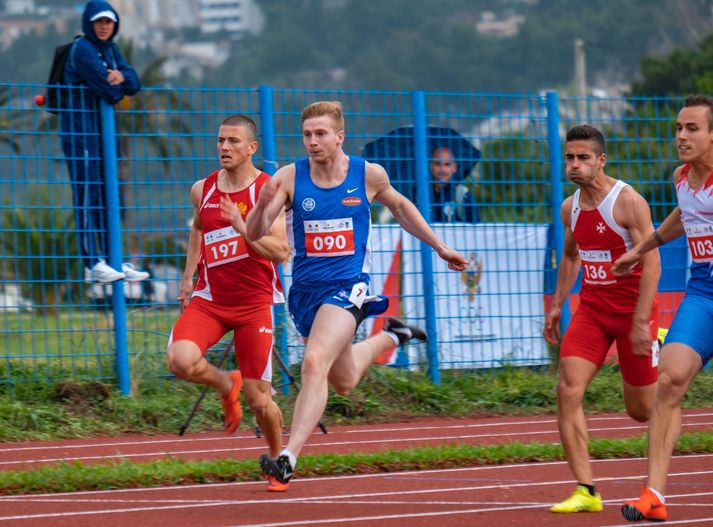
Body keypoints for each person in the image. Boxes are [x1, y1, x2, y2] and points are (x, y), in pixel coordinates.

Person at [246, 101, 467, 490]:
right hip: (305, 294)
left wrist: (440, 247)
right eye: (307, 135)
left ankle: (288, 458)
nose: (312, 142)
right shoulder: (288, 178)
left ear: (339, 136)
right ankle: (392, 335)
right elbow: (255, 232)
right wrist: (262, 206)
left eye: (320, 134)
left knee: (314, 362)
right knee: (344, 379)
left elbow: (401, 207)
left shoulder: (368, 174)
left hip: (349, 288)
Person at [167, 114, 289, 492]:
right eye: (220, 140)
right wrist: (188, 276)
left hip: (254, 303)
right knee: (179, 359)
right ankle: (225, 384)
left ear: (251, 148)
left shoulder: (268, 191)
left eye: (233, 141)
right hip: (212, 299)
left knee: (259, 400)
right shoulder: (201, 189)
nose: (224, 147)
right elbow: (198, 230)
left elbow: (281, 251)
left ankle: (278, 459)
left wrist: (243, 228)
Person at [543, 125, 661, 514]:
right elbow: (572, 256)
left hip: (633, 316)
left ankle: (663, 347)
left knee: (641, 411)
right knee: (567, 389)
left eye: (583, 158)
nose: (574, 165)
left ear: (601, 160)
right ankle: (586, 490)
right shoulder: (570, 207)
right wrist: (559, 304)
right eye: (569, 157)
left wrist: (642, 321)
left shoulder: (627, 202)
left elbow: (652, 259)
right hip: (592, 312)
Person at [614, 94, 713, 523]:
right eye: (678, 128)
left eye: (692, 129)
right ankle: (653, 495)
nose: (681, 137)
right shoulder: (681, 178)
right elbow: (683, 215)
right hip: (704, 292)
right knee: (669, 380)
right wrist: (640, 249)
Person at [61, 0, 148, 283]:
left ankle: (114, 259)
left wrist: (121, 75)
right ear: (88, 22)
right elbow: (110, 93)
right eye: (98, 22)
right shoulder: (83, 49)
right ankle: (92, 262)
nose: (103, 27)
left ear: (114, 25)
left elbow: (133, 84)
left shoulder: (110, 49)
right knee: (87, 196)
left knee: (108, 196)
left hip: (102, 138)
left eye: (108, 22)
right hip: (81, 133)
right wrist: (118, 82)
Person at [429, 146, 479, 222]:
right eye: (438, 164)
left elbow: (475, 229)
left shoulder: (462, 194)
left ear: (454, 167)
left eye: (447, 164)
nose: (442, 169)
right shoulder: (418, 194)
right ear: (431, 166)